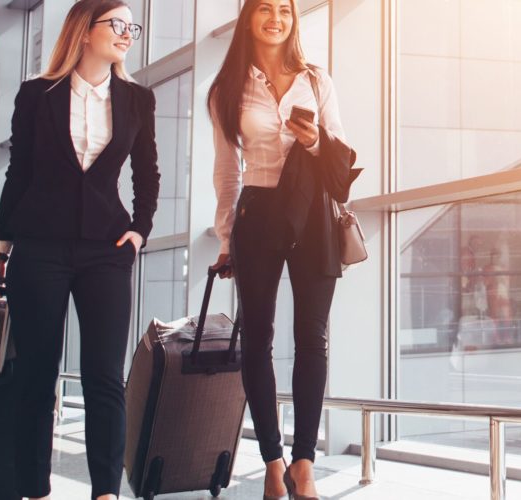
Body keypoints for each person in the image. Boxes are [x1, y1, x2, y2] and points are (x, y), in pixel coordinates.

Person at [0, 1, 159, 498]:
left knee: (104, 376)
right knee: (36, 376)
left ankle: (105, 491)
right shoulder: (38, 95)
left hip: (106, 249)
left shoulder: (138, 99)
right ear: (84, 31)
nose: (127, 34)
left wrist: (140, 231)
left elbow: (147, 175)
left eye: (132, 27)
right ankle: (34, 489)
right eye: (116, 25)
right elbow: (19, 175)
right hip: (39, 249)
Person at [209, 1, 357, 498]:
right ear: (249, 16)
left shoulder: (316, 80)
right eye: (266, 8)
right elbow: (227, 170)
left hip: (313, 212)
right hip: (258, 214)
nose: (277, 18)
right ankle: (273, 460)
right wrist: (226, 238)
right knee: (257, 339)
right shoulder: (227, 88)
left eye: (286, 10)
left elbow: (341, 150)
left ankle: (304, 463)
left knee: (312, 338)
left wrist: (313, 141)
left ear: (295, 20)